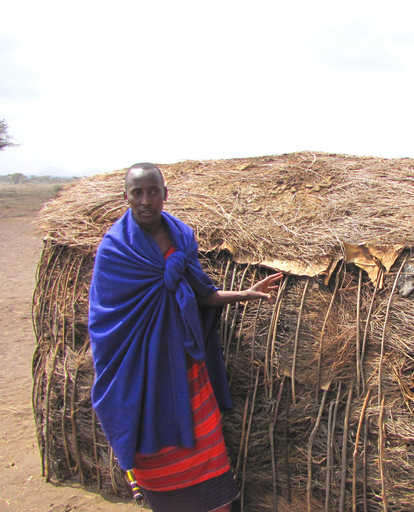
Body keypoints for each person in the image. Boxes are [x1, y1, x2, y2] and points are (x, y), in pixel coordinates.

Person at [88, 162, 282, 512]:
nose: (145, 200)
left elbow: (199, 293)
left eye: (152, 191)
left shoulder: (180, 237)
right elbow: (107, 323)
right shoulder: (115, 251)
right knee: (160, 460)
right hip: (144, 377)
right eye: (137, 193)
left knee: (211, 459)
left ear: (165, 194)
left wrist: (243, 294)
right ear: (126, 197)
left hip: (187, 369)